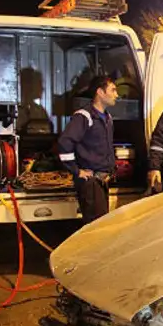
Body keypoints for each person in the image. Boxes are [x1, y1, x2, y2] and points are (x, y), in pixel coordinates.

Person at [58, 75, 118, 224]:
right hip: (91, 183)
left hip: (102, 182)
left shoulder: (107, 118)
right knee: (96, 228)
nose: (117, 95)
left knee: (102, 225)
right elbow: (65, 143)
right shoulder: (84, 116)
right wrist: (76, 170)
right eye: (113, 90)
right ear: (100, 92)